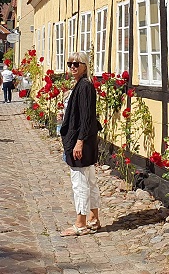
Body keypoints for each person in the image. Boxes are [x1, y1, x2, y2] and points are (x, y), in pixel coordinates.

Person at [59, 51, 102, 236]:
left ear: (85, 66)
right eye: (70, 64)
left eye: (76, 64)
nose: (73, 67)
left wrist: (79, 142)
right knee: (90, 181)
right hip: (85, 140)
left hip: (81, 141)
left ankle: (80, 223)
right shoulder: (82, 85)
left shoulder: (84, 86)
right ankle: (93, 218)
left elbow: (86, 118)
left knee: (80, 183)